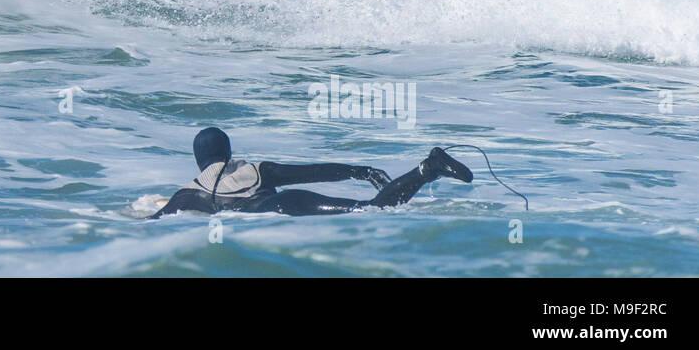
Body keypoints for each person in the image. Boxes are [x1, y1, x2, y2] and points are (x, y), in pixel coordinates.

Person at [148, 127, 473, 218]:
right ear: (229, 153)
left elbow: (154, 220)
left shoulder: (188, 193)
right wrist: (360, 171)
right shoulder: (256, 170)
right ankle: (428, 168)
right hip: (290, 200)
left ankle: (429, 168)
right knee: (372, 207)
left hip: (277, 211)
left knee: (373, 210)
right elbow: (313, 172)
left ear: (196, 160)